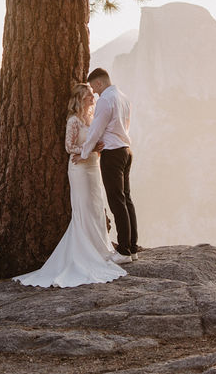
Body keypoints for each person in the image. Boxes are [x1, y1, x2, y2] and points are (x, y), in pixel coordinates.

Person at [14, 83, 127, 287]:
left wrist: (97, 148)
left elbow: (95, 143)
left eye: (92, 95)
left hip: (93, 168)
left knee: (96, 207)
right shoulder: (73, 121)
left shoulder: (91, 119)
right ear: (80, 99)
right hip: (79, 170)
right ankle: (85, 252)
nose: (93, 98)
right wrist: (90, 148)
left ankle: (101, 248)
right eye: (88, 96)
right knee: (83, 208)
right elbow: (69, 147)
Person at [80, 68, 138, 263]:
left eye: (94, 89)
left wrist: (84, 152)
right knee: (126, 199)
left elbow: (97, 129)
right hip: (126, 150)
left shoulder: (106, 99)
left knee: (117, 201)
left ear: (99, 83)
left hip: (112, 153)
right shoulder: (123, 97)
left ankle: (123, 251)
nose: (94, 94)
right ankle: (132, 247)